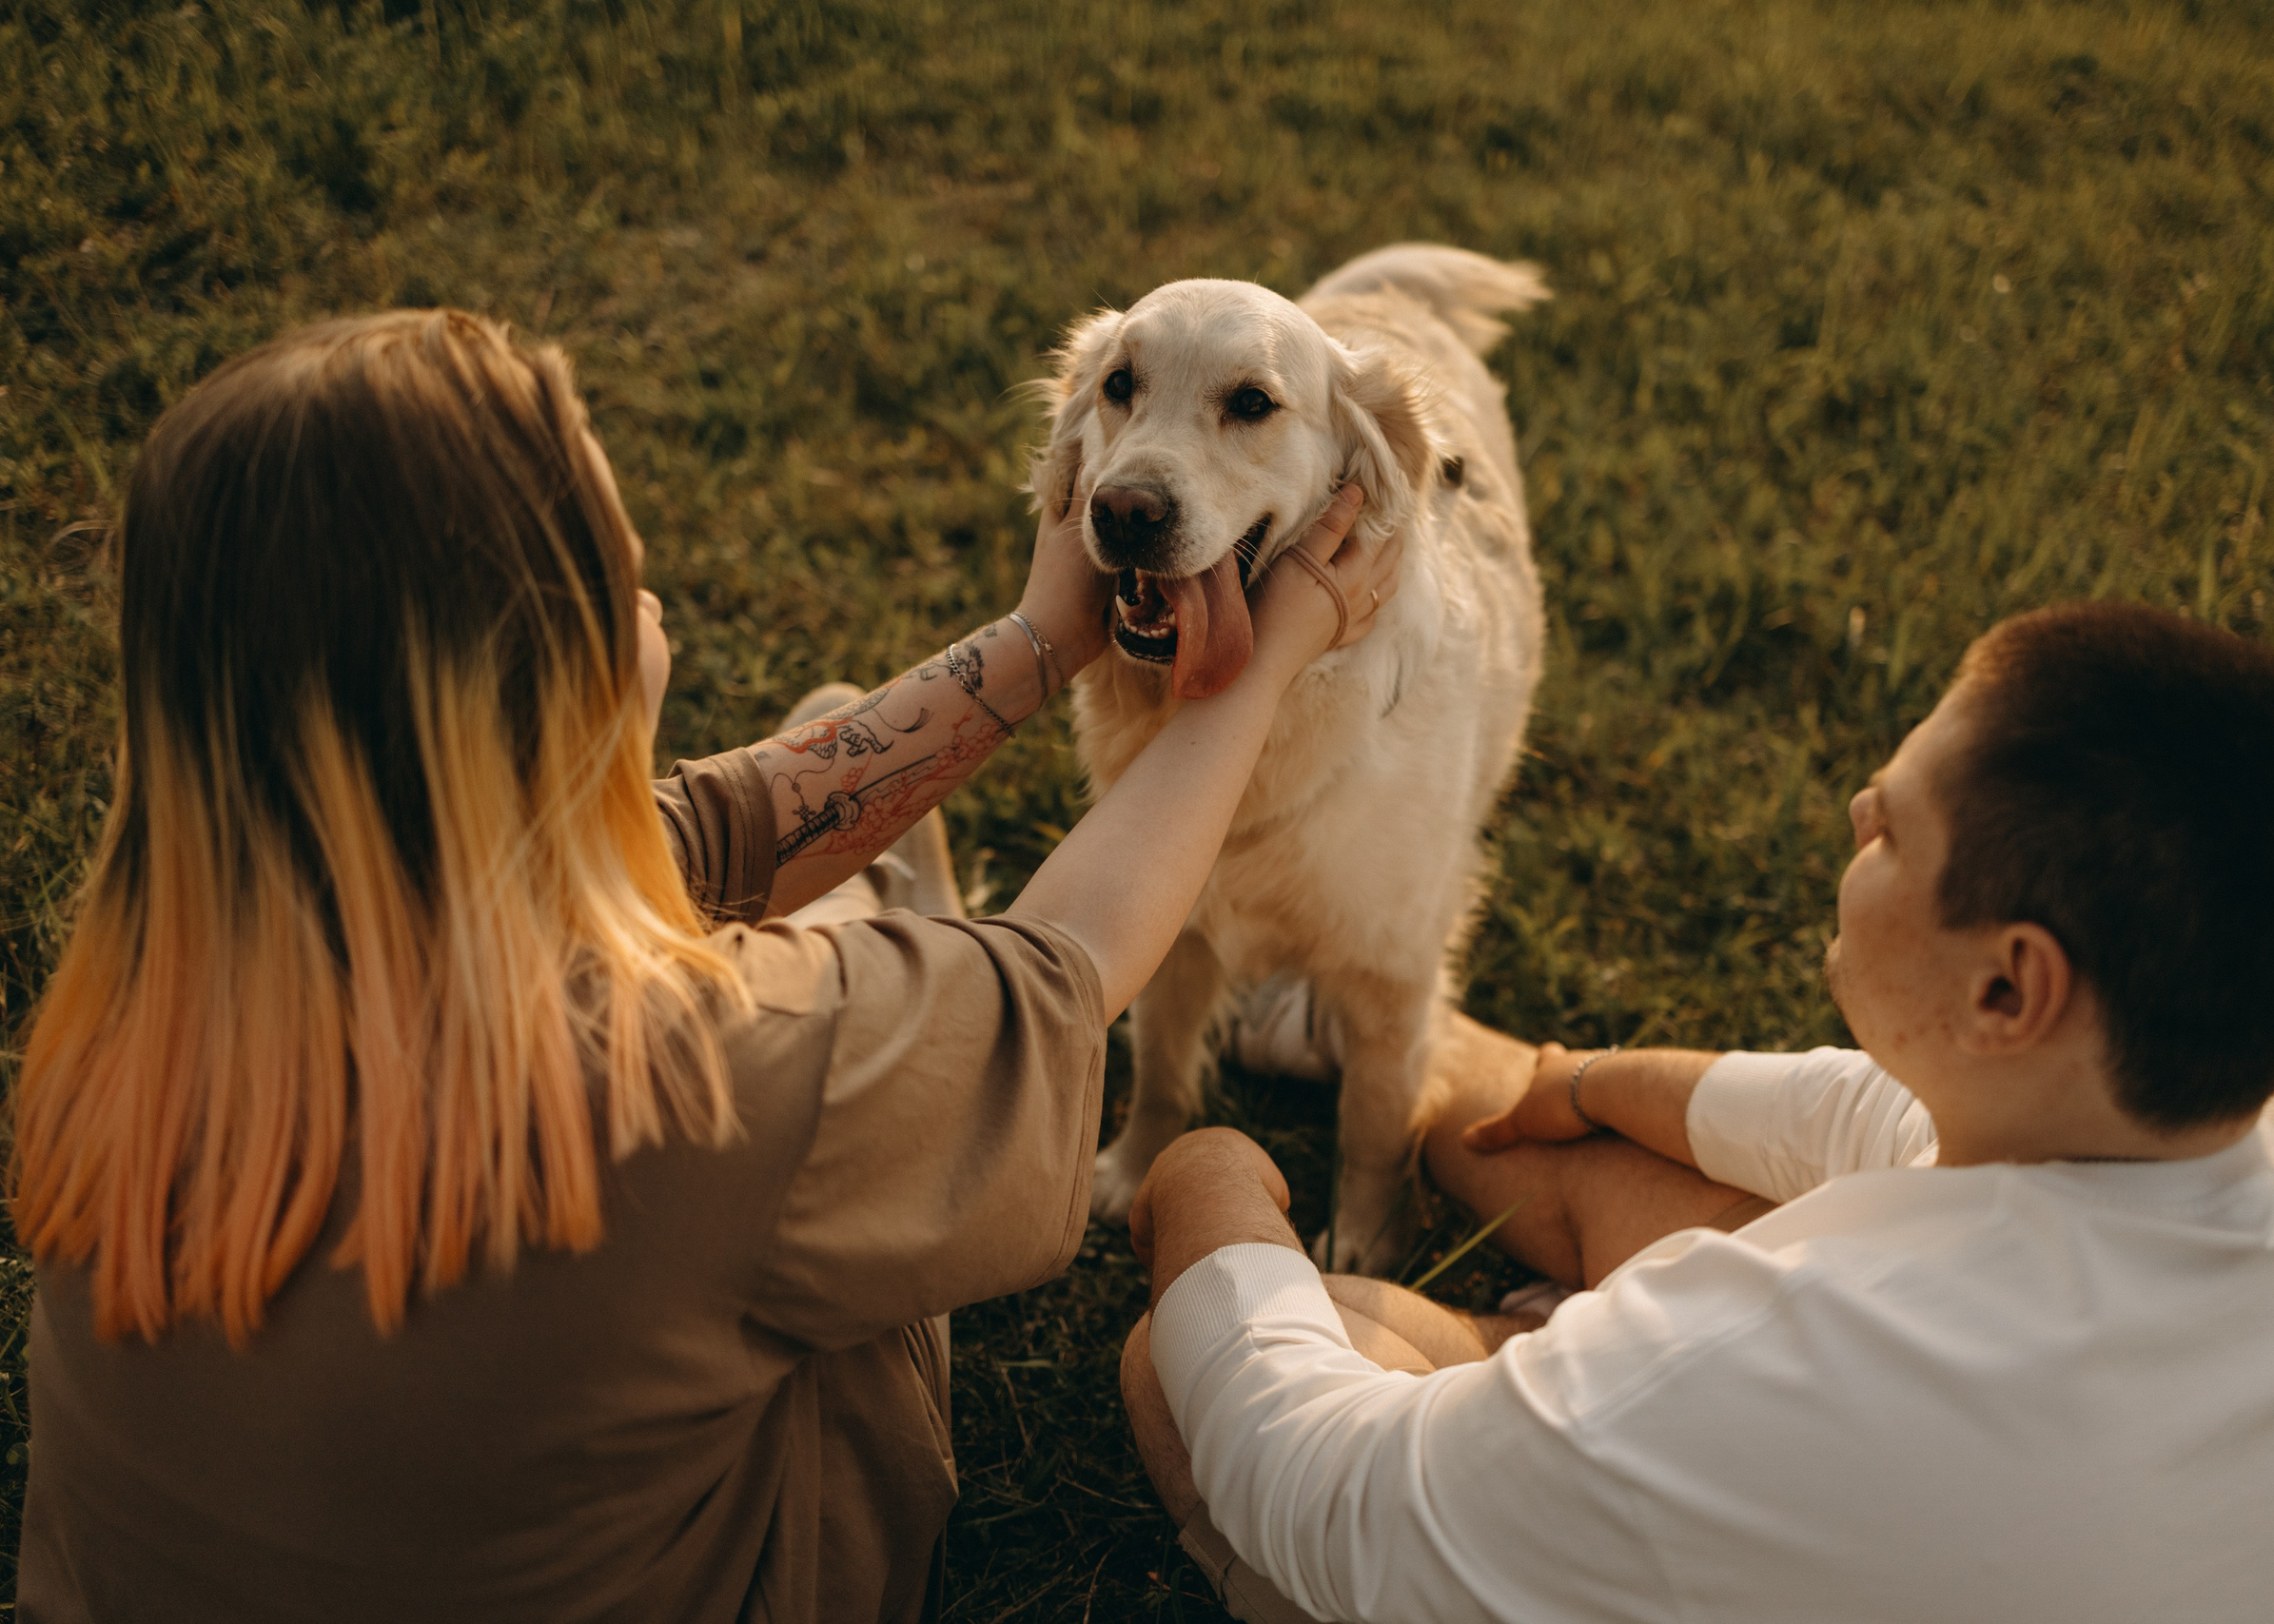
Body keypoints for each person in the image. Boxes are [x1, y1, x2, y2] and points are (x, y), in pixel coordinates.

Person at [10, 308, 1399, 1622]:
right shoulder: (705, 1083)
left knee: (805, 817)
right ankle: (902, 935)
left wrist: (1040, 645)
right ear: (534, 656)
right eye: (619, 560)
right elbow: (1058, 974)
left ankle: (879, 913)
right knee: (846, 980)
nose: (649, 583)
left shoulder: (141, 998)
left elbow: (700, 834)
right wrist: (1263, 664)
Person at [1122, 602, 2274, 1624]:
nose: (1858, 809)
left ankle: (1524, 1409)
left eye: (1894, 829)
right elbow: (1868, 1117)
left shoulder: (1798, 1366)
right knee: (1612, 1150)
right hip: (1979, 1491)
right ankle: (1422, 1091)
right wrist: (1582, 1082)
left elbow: (1332, 1496)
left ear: (2008, 987)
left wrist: (1208, 1177)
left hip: (1811, 1445)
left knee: (1181, 1367)